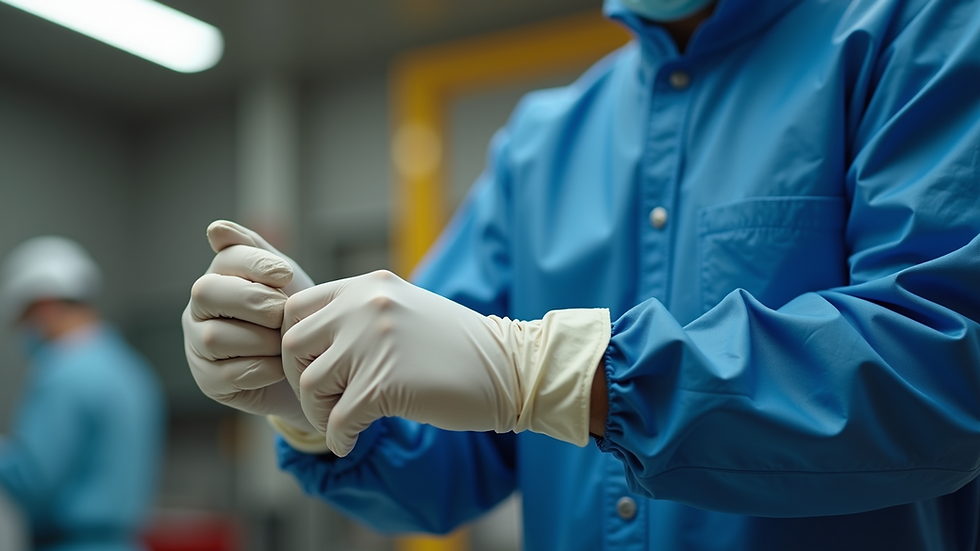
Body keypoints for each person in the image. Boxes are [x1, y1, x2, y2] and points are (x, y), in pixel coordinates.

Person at [182, 0, 980, 548]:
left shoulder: (915, 32)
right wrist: (312, 396)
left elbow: (941, 369)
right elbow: (441, 470)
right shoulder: (542, 145)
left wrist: (557, 373)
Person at [0, 237, 165, 551]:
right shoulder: (132, 369)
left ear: (45, 306)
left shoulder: (62, 374)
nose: (24, 332)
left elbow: (34, 480)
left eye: (23, 320)